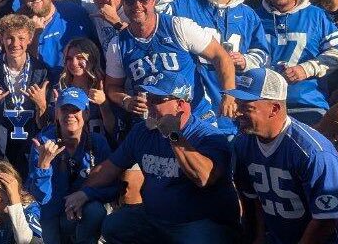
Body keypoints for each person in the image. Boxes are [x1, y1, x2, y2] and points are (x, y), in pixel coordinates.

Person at [80, 73, 239, 243]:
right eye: (149, 98)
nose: (148, 104)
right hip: (155, 219)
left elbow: (204, 177)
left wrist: (174, 135)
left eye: (157, 100)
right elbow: (109, 168)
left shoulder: (208, 136)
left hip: (197, 223)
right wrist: (82, 192)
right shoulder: (143, 131)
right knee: (115, 225)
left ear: (180, 104)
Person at [228, 67, 338, 243]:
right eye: (237, 104)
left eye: (247, 107)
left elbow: (327, 220)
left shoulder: (314, 152)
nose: (237, 112)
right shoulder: (244, 143)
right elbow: (256, 201)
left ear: (274, 109)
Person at [106, 0, 238, 125]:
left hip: (194, 116)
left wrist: (229, 95)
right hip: (153, 121)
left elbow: (220, 56)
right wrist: (126, 100)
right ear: (123, 4)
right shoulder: (117, 44)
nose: (137, 5)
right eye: (130, 0)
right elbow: (112, 86)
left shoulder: (179, 26)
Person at [168, 0, 269, 117]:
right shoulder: (183, 5)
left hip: (234, 100)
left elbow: (263, 54)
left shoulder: (247, 14)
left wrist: (245, 60)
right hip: (193, 98)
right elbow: (155, 11)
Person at [256, 0, 338, 125]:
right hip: (263, 103)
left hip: (307, 103)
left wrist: (305, 69)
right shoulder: (254, 16)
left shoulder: (316, 15)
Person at [27, 87, 114, 244]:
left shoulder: (97, 142)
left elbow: (113, 187)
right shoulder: (42, 143)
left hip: (83, 213)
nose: (70, 115)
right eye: (64, 109)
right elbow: (40, 197)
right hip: (51, 214)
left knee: (95, 211)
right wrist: (44, 166)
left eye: (76, 110)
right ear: (56, 114)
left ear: (86, 114)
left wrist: (86, 195)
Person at [0, 14, 49, 174]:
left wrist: (41, 105)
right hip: (0, 146)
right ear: (1, 39)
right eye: (9, 38)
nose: (15, 44)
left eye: (21, 38)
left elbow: (45, 124)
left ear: (30, 39)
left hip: (31, 146)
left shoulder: (41, 72)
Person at [16, 0, 92, 77]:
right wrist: (35, 35)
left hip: (76, 83)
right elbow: (23, 66)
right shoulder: (19, 25)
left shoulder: (74, 12)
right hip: (41, 87)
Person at [55, 38, 114, 138]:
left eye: (80, 57)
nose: (74, 63)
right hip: (71, 149)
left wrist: (103, 104)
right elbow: (55, 131)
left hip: (98, 149)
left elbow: (112, 130)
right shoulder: (60, 89)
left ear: (92, 59)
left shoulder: (105, 85)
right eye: (69, 58)